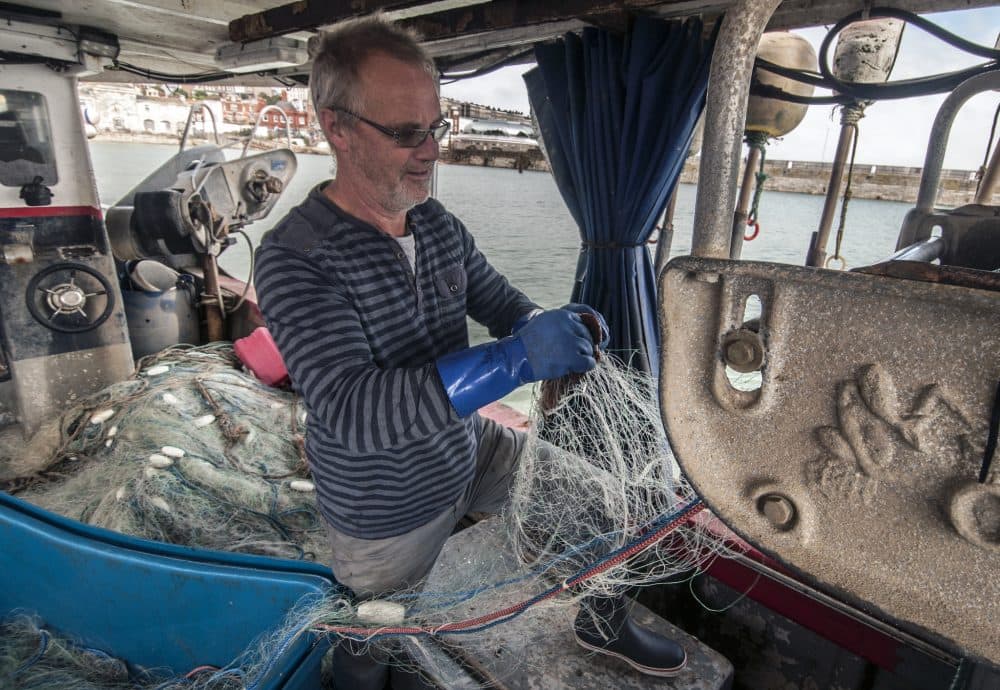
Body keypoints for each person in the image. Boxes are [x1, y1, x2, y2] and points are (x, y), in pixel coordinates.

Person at [254, 14, 686, 689]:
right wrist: (516, 361)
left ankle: (601, 620)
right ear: (335, 126)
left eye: (435, 129)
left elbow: (500, 302)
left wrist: (548, 322)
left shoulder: (434, 222)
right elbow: (351, 412)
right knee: (371, 647)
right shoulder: (294, 257)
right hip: (382, 504)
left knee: (603, 507)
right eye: (404, 133)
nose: (429, 152)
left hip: (467, 448)